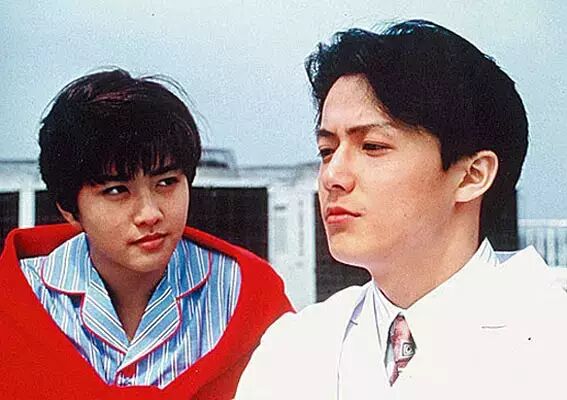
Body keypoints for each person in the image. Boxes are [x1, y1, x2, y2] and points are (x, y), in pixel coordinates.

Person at [235, 20, 567, 399]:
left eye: (373, 146)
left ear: (471, 176)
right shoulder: (292, 350)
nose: (332, 176)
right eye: (327, 151)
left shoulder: (552, 343)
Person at [0, 69, 292, 400]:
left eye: (166, 182)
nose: (150, 214)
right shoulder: (16, 301)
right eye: (116, 190)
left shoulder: (246, 298)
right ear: (69, 208)